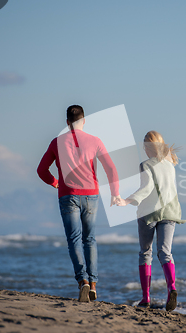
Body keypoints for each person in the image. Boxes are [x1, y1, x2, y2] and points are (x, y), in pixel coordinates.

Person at [37, 105, 120, 302]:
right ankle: (93, 285)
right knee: (89, 239)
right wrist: (115, 193)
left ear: (67, 122)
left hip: (67, 195)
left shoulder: (57, 142)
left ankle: (82, 281)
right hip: (91, 195)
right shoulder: (95, 140)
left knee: (74, 239)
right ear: (84, 121)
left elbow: (41, 170)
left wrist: (55, 183)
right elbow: (111, 169)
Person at [117, 131, 185, 311]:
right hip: (170, 212)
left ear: (147, 148)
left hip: (149, 213)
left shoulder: (146, 164)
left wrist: (127, 200)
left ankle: (146, 297)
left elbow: (146, 189)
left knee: (145, 253)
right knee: (165, 252)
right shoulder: (170, 163)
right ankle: (172, 288)